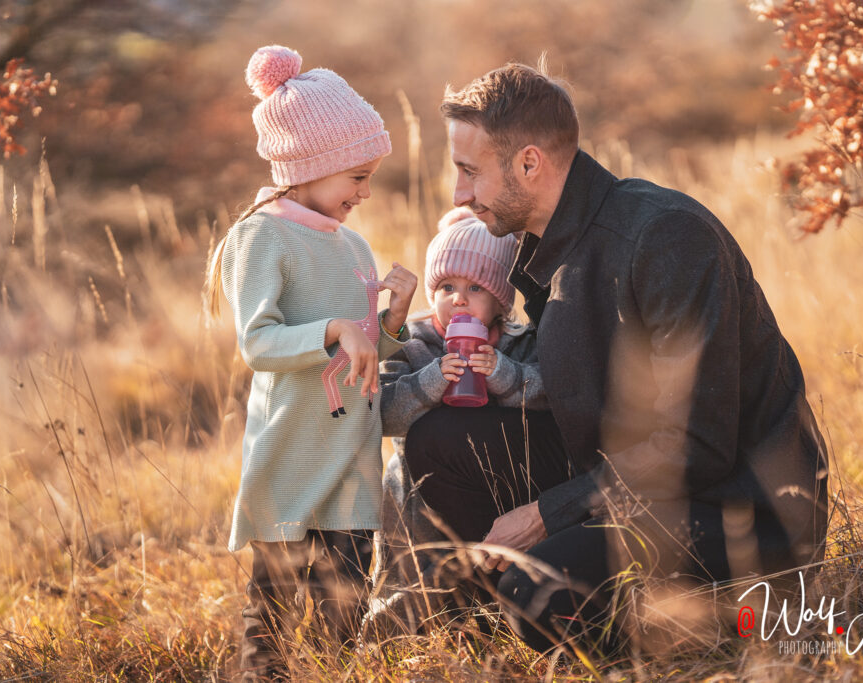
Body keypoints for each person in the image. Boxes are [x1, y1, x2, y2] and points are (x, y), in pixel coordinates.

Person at [414, 62, 831, 655]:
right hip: (622, 471)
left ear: (529, 163)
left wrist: (545, 514)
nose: (459, 195)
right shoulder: (543, 244)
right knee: (440, 440)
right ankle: (490, 626)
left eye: (469, 172)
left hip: (737, 508)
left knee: (539, 595)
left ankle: (727, 629)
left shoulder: (665, 237)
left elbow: (698, 447)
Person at [204, 45, 417, 679]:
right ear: (309, 165)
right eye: (357, 176)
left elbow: (361, 350)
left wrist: (391, 324)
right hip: (292, 456)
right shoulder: (262, 235)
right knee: (272, 607)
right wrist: (330, 329)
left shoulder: (352, 243)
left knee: (344, 605)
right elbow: (259, 343)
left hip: (351, 461)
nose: (366, 192)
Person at [372, 207, 571, 605]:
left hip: (493, 485)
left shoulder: (520, 342)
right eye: (446, 286)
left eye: (475, 288)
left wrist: (504, 373)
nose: (458, 298)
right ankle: (400, 611)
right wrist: (431, 380)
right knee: (412, 562)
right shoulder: (413, 341)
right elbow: (382, 414)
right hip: (420, 494)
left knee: (480, 573)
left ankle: (485, 603)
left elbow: (553, 396)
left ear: (500, 303)